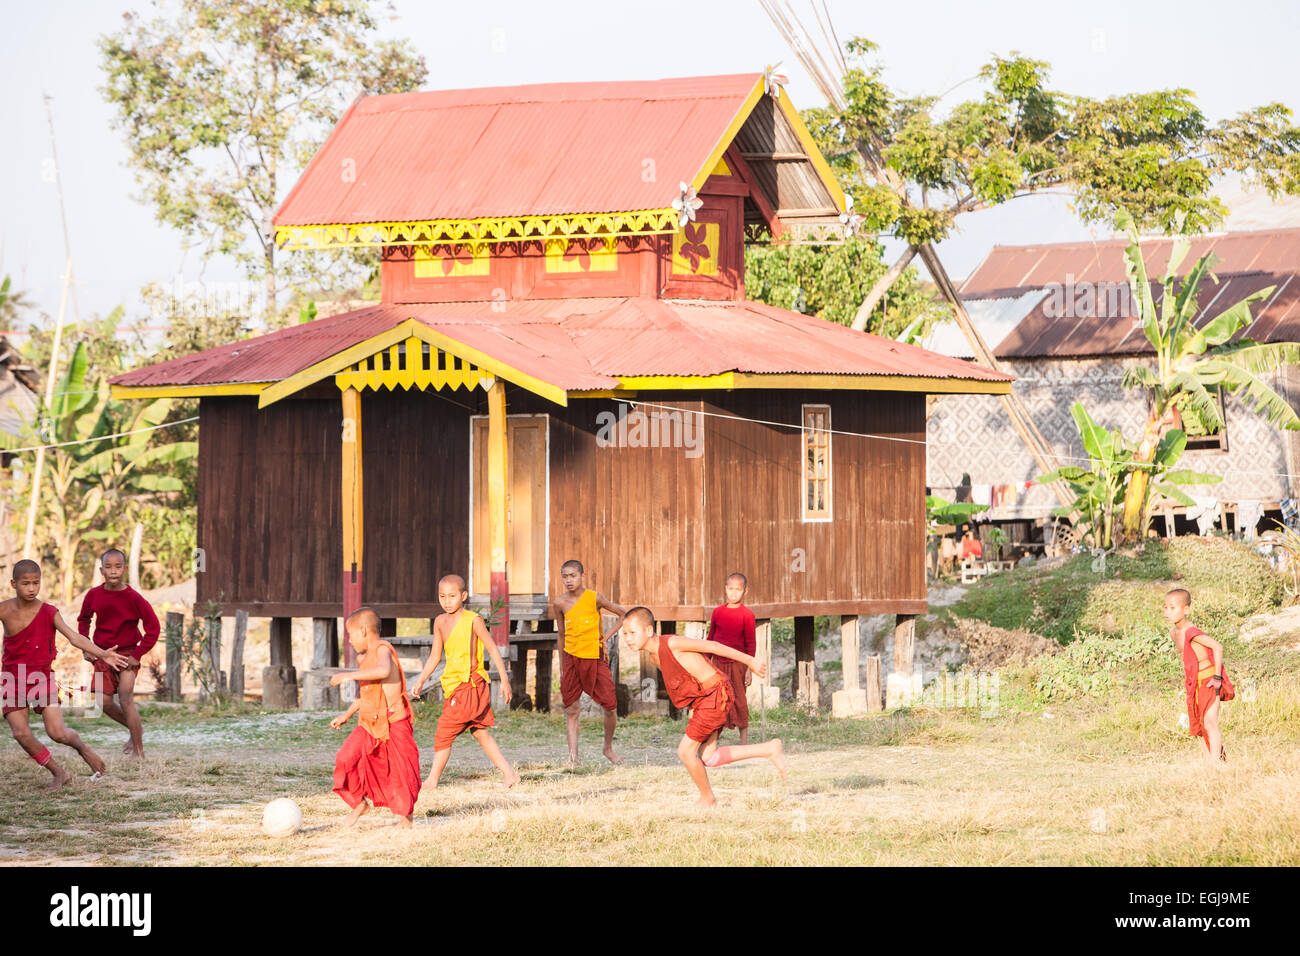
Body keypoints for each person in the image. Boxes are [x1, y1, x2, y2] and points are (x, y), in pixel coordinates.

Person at [620, 606, 784, 806]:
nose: (628, 638)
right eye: (625, 634)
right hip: (703, 699)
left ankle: (707, 798)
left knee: (686, 752)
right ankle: (769, 749)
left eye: (632, 632)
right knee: (709, 757)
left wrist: (749, 661)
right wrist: (693, 708)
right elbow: (686, 678)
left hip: (716, 694)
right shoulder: (655, 657)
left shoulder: (672, 643)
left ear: (648, 630)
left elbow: (713, 646)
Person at [2, 559, 128, 788]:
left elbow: (75, 637)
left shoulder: (49, 612)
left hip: (41, 678)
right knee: (20, 734)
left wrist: (103, 654)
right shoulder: (4, 609)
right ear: (13, 584)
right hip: (12, 679)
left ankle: (84, 749)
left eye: (35, 583)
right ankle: (59, 773)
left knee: (57, 733)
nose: (31, 588)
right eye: (25, 583)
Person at [408, 574, 519, 790]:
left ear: (463, 596)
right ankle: (510, 774)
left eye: (452, 596)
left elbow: (492, 649)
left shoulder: (473, 620)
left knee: (444, 732)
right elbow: (435, 656)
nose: (447, 601)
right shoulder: (440, 622)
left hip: (469, 684)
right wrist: (421, 679)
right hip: (453, 684)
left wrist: (504, 679)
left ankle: (431, 781)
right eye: (442, 596)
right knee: (479, 731)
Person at [330, 608, 422, 826]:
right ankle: (359, 804)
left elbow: (382, 671)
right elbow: (368, 694)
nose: (350, 641)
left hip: (394, 720)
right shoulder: (364, 659)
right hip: (369, 722)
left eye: (351, 635)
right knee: (345, 759)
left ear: (363, 631)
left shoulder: (382, 649)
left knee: (401, 770)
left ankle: (406, 817)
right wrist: (347, 714)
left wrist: (348, 675)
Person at [77, 548, 160, 758]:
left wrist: (137, 654)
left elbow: (154, 628)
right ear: (101, 570)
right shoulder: (93, 595)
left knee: (125, 697)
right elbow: (84, 620)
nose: (113, 571)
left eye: (118, 566)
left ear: (124, 569)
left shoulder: (134, 598)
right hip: (102, 654)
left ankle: (139, 752)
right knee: (102, 703)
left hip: (127, 654)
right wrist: (86, 647)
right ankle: (136, 729)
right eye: (108, 567)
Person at [552, 559, 625, 766]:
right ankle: (574, 758)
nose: (569, 580)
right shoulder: (559, 603)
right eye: (565, 576)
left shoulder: (595, 598)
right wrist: (562, 666)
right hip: (571, 658)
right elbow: (561, 635)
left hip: (594, 657)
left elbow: (622, 614)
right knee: (572, 709)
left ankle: (608, 748)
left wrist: (605, 637)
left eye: (573, 575)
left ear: (582, 576)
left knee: (610, 706)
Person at [1164, 588, 1229, 762]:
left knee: (1210, 723)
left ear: (1186, 609)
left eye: (1172, 608)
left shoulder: (1191, 632)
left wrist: (1217, 678)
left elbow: (1217, 647)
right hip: (1195, 683)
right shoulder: (1174, 633)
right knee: (1201, 725)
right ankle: (1212, 763)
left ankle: (1215, 765)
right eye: (1165, 608)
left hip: (1209, 680)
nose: (1167, 613)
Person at [706, 572, 756, 744]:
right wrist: (706, 662)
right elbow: (710, 638)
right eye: (731, 589)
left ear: (745, 591)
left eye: (738, 590)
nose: (734, 593)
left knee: (739, 699)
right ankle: (713, 738)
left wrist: (749, 669)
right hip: (718, 663)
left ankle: (744, 741)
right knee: (718, 699)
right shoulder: (718, 612)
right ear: (725, 589)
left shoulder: (747, 614)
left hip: (738, 665)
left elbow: (751, 644)